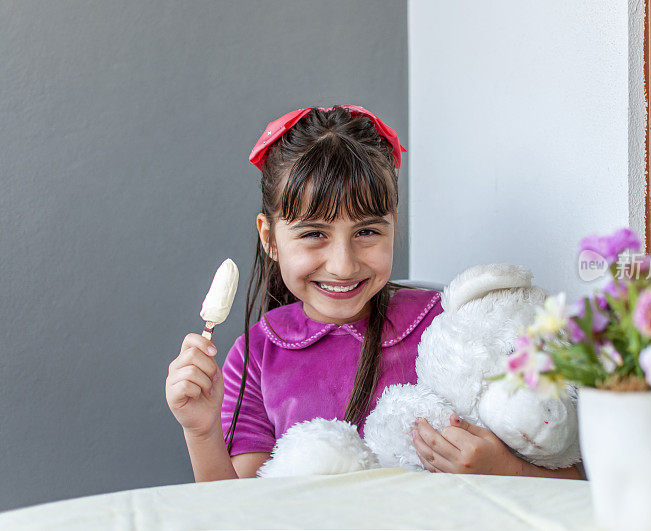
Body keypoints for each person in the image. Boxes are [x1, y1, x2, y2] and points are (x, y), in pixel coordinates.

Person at [165, 104, 582, 481]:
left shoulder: (453, 329)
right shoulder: (256, 355)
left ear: (393, 223)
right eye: (314, 234)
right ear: (269, 237)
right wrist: (201, 431)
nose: (343, 264)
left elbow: (576, 478)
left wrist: (504, 468)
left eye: (366, 231)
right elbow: (240, 510)